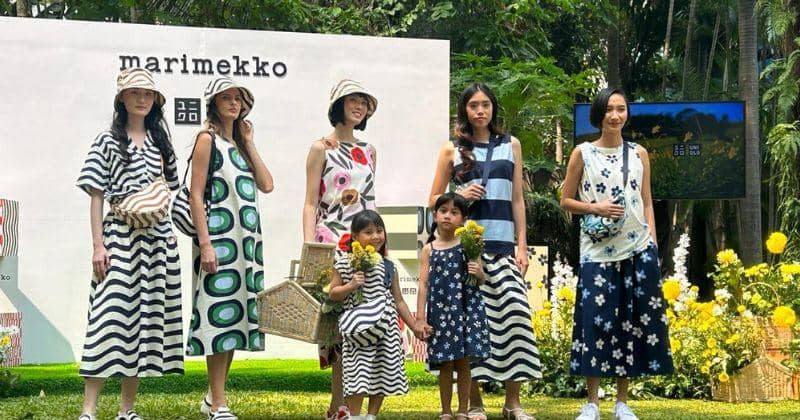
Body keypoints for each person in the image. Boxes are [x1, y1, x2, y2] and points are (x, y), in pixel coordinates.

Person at [428, 83, 541, 420]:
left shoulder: (511, 144)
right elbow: (433, 199)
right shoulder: (451, 149)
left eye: (486, 104)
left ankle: (513, 403)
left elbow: (517, 199)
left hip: (504, 245)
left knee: (516, 318)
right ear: (464, 110)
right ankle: (474, 403)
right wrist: (460, 194)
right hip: (463, 249)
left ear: (493, 108)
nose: (480, 110)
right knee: (470, 326)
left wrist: (522, 244)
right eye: (473, 105)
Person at [76, 68, 182, 420]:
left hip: (156, 240)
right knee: (107, 318)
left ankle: (127, 408)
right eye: (135, 92)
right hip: (119, 236)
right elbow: (96, 196)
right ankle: (89, 409)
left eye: (148, 94)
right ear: (122, 98)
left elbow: (170, 190)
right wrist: (98, 245)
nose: (142, 99)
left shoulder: (160, 143)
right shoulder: (107, 141)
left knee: (143, 321)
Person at [560, 87, 672, 420]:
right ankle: (592, 403)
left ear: (627, 113)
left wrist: (652, 242)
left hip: (637, 248)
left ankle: (622, 403)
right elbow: (565, 200)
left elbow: (647, 201)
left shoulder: (639, 153)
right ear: (599, 114)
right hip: (596, 250)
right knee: (594, 323)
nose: (615, 115)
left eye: (621, 109)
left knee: (630, 324)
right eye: (609, 109)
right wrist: (596, 207)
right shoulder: (582, 153)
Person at [187, 77, 274, 420]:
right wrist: (205, 244)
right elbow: (195, 195)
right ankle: (219, 405)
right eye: (226, 98)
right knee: (218, 317)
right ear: (213, 103)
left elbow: (267, 184)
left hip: (246, 244)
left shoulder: (238, 144)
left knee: (235, 320)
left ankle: (214, 396)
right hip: (220, 240)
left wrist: (249, 142)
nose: (233, 103)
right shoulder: (206, 139)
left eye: (238, 98)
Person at [302, 79, 378, 420]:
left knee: (361, 323)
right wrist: (310, 246)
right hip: (331, 241)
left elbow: (371, 202)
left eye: (363, 102)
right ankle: (338, 403)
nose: (359, 106)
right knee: (335, 326)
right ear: (338, 105)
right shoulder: (321, 148)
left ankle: (349, 403)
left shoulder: (370, 151)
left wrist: (379, 244)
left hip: (365, 246)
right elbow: (310, 202)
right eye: (352, 100)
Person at [328, 210, 423, 420]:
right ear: (355, 237)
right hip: (357, 331)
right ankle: (354, 416)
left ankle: (371, 416)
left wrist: (415, 326)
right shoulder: (344, 263)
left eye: (379, 231)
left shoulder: (388, 265)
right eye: (368, 232)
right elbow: (333, 293)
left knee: (383, 373)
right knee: (356, 374)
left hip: (386, 330)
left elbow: (399, 300)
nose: (376, 236)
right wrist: (351, 285)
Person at [416, 192, 490, 420]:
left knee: (463, 362)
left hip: (466, 311)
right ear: (435, 215)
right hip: (441, 313)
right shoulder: (429, 249)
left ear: (464, 219)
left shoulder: (469, 244)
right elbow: (423, 284)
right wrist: (420, 318)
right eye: (443, 211)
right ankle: (446, 410)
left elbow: (481, 278)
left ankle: (463, 410)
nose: (447, 216)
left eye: (454, 212)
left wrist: (479, 273)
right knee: (445, 363)